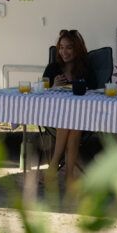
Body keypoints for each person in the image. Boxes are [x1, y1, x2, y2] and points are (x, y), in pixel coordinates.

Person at [43, 29, 97, 188]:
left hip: (84, 115)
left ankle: (53, 167)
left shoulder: (85, 69)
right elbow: (43, 91)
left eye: (69, 48)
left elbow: (95, 90)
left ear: (77, 49)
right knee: (69, 122)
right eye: (61, 47)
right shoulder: (53, 68)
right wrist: (53, 86)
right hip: (54, 115)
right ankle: (68, 177)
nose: (63, 52)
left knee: (72, 122)